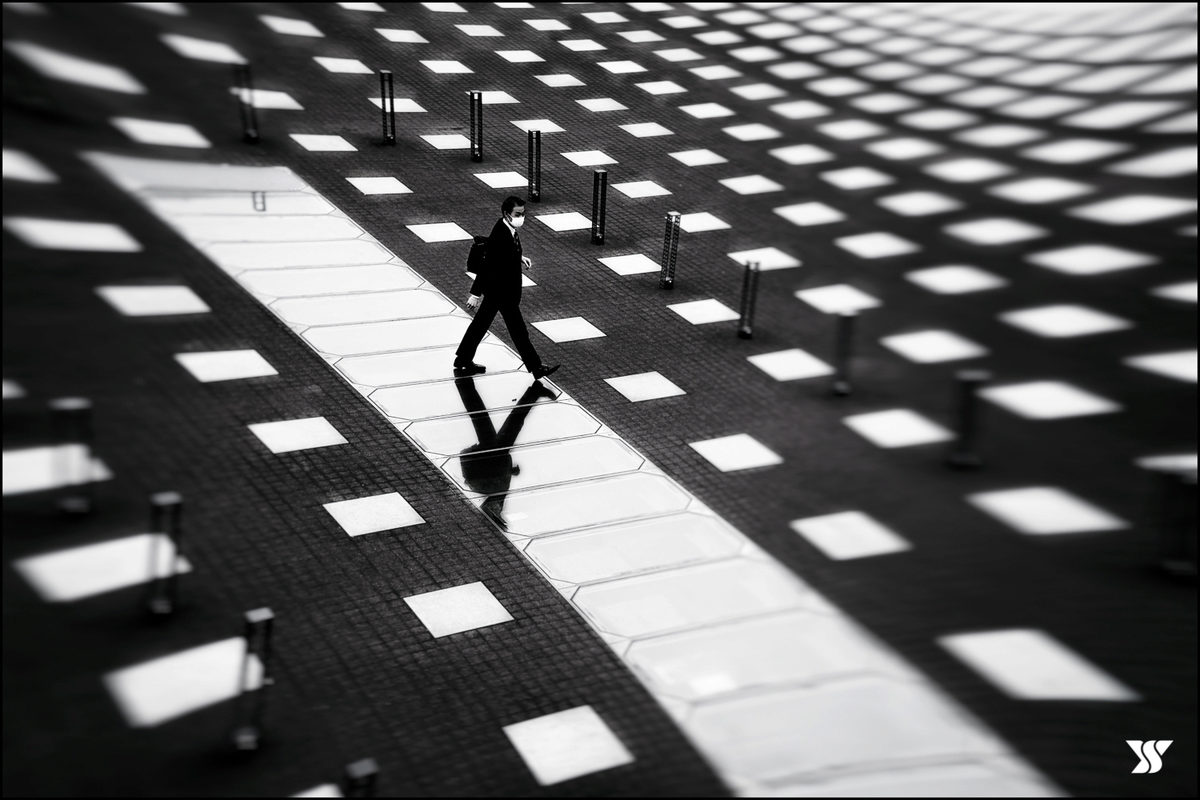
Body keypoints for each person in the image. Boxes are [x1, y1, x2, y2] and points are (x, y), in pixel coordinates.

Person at [453, 195, 560, 380]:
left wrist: (519, 256)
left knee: (480, 325)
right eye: (518, 214)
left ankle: (462, 359)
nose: (521, 217)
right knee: (519, 331)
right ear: (506, 214)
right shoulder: (500, 234)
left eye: (523, 213)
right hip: (501, 293)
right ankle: (536, 368)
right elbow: (487, 265)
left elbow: (505, 252)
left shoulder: (506, 227)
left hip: (498, 291)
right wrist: (475, 294)